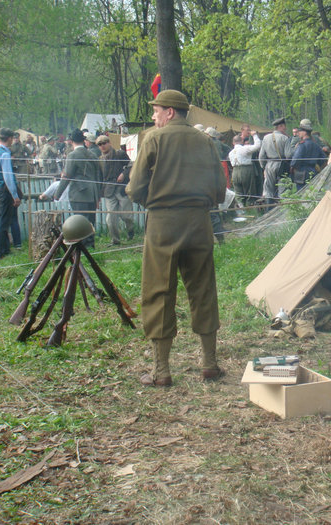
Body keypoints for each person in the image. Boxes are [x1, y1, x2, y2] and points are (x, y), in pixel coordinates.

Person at [126, 89, 226, 387]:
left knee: (158, 290)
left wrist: (157, 202)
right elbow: (220, 190)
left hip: (163, 223)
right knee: (203, 290)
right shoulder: (207, 142)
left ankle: (161, 371)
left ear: (170, 112)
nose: (153, 116)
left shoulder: (154, 139)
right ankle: (209, 363)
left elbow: (134, 188)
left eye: (156, 110)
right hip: (198, 222)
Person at [55, 129, 101, 248]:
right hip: (93, 193)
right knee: (91, 221)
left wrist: (57, 194)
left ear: (71, 141)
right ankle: (90, 245)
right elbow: (99, 176)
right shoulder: (93, 154)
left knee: (80, 221)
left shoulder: (73, 155)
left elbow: (67, 176)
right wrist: (98, 195)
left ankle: (83, 247)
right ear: (84, 140)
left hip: (80, 193)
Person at [96, 134, 134, 245]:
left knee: (126, 216)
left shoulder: (119, 153)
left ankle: (130, 231)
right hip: (108, 191)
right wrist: (99, 194)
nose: (102, 146)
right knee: (110, 218)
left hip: (122, 189)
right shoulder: (99, 160)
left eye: (104, 143)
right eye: (100, 144)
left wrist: (123, 174)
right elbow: (99, 178)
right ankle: (115, 240)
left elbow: (131, 165)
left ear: (109, 143)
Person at [0, 128, 21, 258]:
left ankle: (5, 249)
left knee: (4, 219)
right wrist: (14, 195)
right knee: (4, 221)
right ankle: (2, 251)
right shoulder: (4, 154)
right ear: (9, 138)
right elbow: (8, 177)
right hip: (5, 189)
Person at [259, 117, 292, 205]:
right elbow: (288, 156)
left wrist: (263, 167)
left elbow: (261, 156)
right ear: (280, 126)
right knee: (283, 190)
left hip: (269, 165)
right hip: (281, 165)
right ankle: (283, 211)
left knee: (268, 190)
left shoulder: (265, 138)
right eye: (284, 126)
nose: (285, 128)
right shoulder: (285, 138)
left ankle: (269, 210)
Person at [228, 130, 261, 208]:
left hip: (235, 171)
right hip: (246, 170)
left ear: (233, 143)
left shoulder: (231, 153)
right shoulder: (245, 149)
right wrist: (255, 135)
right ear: (242, 141)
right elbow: (257, 145)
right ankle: (250, 207)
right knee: (249, 190)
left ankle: (241, 209)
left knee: (238, 192)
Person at [290, 124, 325, 191]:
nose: (298, 133)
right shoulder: (316, 145)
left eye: (300, 131)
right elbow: (323, 158)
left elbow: (296, 159)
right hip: (313, 172)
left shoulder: (302, 145)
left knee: (301, 193)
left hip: (301, 173)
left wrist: (292, 167)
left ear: (305, 132)